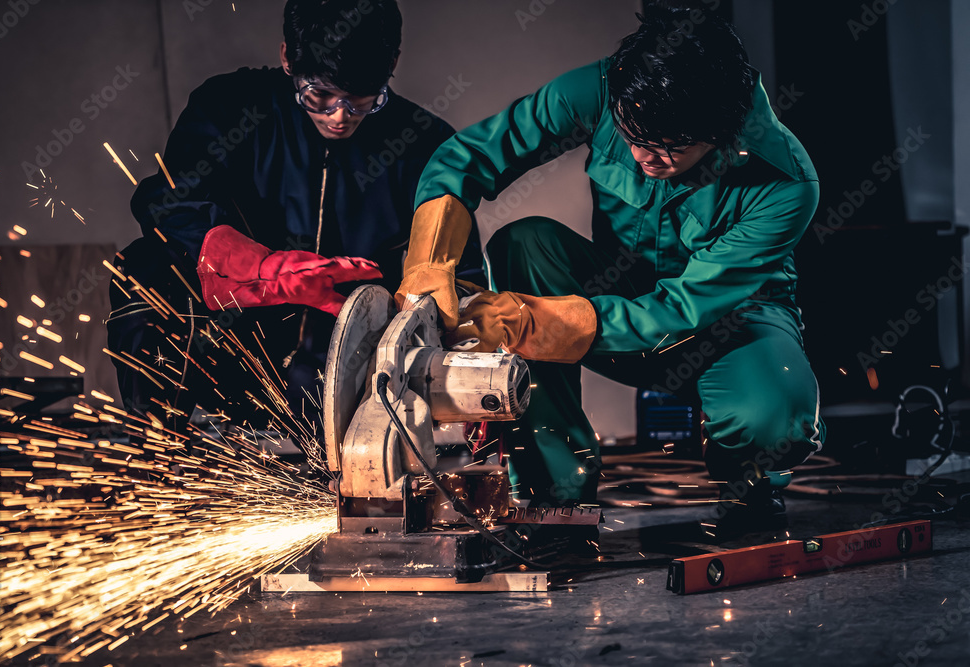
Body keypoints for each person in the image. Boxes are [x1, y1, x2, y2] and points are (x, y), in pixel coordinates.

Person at [395, 6, 824, 538]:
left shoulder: (786, 183)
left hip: (729, 323)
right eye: (634, 138)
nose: (645, 157)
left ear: (722, 128)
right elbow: (471, 154)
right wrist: (431, 261)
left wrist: (528, 323)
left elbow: (681, 308)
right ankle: (556, 495)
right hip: (615, 294)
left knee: (775, 413)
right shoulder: (606, 88)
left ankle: (749, 486)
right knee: (524, 243)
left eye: (671, 149)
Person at [108, 0, 482, 434]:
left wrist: (469, 367)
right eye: (319, 96)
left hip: (356, 369)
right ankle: (159, 442)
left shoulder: (425, 144)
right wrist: (255, 265)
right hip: (234, 344)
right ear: (288, 57)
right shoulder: (229, 106)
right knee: (145, 267)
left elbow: (457, 273)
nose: (340, 116)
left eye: (362, 100)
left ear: (392, 65)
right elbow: (168, 202)